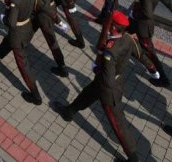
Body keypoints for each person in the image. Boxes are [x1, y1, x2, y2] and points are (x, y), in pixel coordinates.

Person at [52, 12, 140, 162]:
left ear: (113, 27)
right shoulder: (127, 38)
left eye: (109, 24)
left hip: (108, 88)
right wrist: (152, 68)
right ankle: (69, 111)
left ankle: (133, 158)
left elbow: (107, 77)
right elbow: (139, 53)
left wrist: (97, 68)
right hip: (107, 81)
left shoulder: (110, 50)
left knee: (117, 124)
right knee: (87, 94)